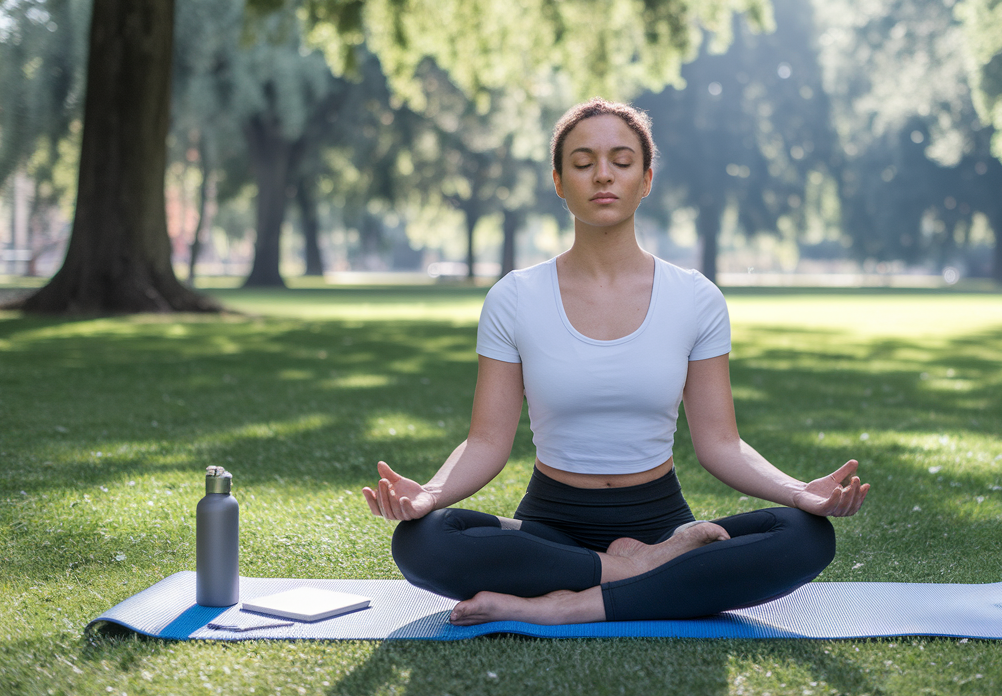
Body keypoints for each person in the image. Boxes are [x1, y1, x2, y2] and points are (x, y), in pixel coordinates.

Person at [363, 98, 869, 626]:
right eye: (582, 163)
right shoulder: (514, 297)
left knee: (806, 535)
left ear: (646, 179)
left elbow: (719, 443)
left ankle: (571, 604)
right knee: (423, 542)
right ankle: (643, 574)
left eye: (621, 162)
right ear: (559, 181)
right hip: (549, 530)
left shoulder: (695, 297)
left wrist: (797, 492)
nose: (602, 175)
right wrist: (431, 495)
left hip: (662, 521)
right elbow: (488, 440)